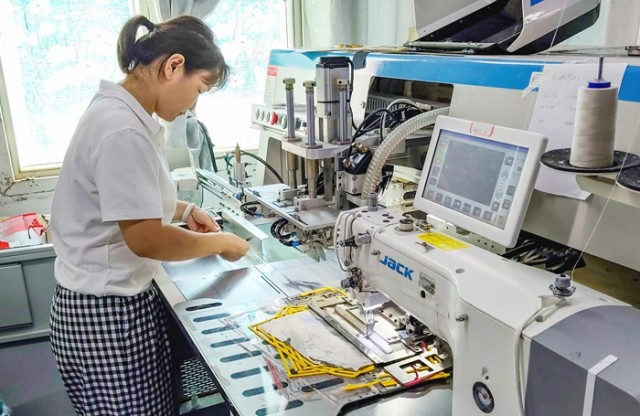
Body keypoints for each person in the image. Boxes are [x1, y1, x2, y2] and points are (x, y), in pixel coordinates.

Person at [49, 14, 249, 416]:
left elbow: (126, 201)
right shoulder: (121, 128)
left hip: (100, 309)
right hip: (107, 317)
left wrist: (185, 210)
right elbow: (147, 238)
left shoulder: (119, 114)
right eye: (199, 89)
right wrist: (221, 243)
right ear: (173, 66)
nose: (193, 105)